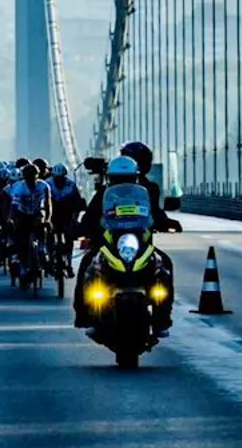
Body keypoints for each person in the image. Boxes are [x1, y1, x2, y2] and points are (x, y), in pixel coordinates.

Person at [72, 143, 175, 334]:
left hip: (140, 244)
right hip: (109, 244)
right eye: (118, 179)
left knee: (165, 265)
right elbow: (91, 215)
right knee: (87, 263)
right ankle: (84, 314)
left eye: (127, 178)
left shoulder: (148, 190)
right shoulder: (104, 193)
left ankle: (162, 316)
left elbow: (156, 213)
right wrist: (81, 228)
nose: (122, 182)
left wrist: (167, 223)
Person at [7, 162, 52, 278]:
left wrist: (48, 219)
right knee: (22, 241)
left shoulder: (44, 186)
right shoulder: (19, 188)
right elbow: (14, 207)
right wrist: (11, 219)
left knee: (42, 222)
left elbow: (48, 205)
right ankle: (23, 266)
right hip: (22, 213)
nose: (31, 181)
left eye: (33, 177)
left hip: (37, 211)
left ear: (37, 176)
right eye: (28, 178)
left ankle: (42, 247)